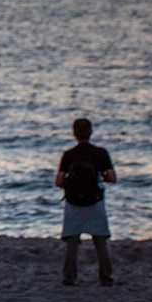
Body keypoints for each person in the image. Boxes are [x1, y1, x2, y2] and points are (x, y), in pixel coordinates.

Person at [55, 116, 119, 286]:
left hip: (73, 203)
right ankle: (106, 277)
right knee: (100, 241)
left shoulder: (69, 155)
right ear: (91, 132)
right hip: (95, 202)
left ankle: (69, 277)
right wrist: (102, 177)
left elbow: (58, 182)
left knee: (72, 242)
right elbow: (112, 178)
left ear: (74, 133)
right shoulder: (101, 153)